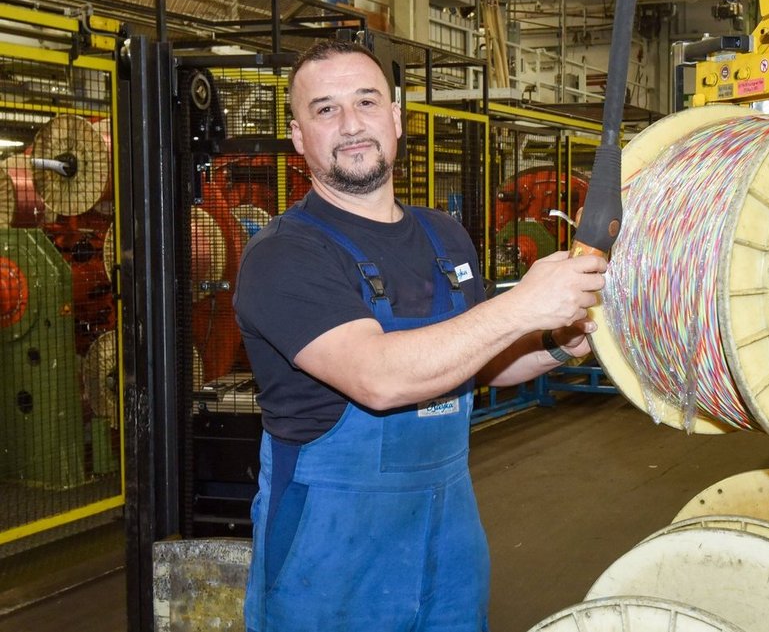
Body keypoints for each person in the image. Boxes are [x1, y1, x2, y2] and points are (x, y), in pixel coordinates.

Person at [233, 39, 606, 632]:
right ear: (300, 137)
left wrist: (557, 342)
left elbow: (476, 364)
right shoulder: (285, 254)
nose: (351, 124)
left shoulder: (443, 236)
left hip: (449, 540)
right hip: (331, 558)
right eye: (325, 109)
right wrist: (523, 306)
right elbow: (379, 378)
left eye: (366, 101)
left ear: (397, 116)